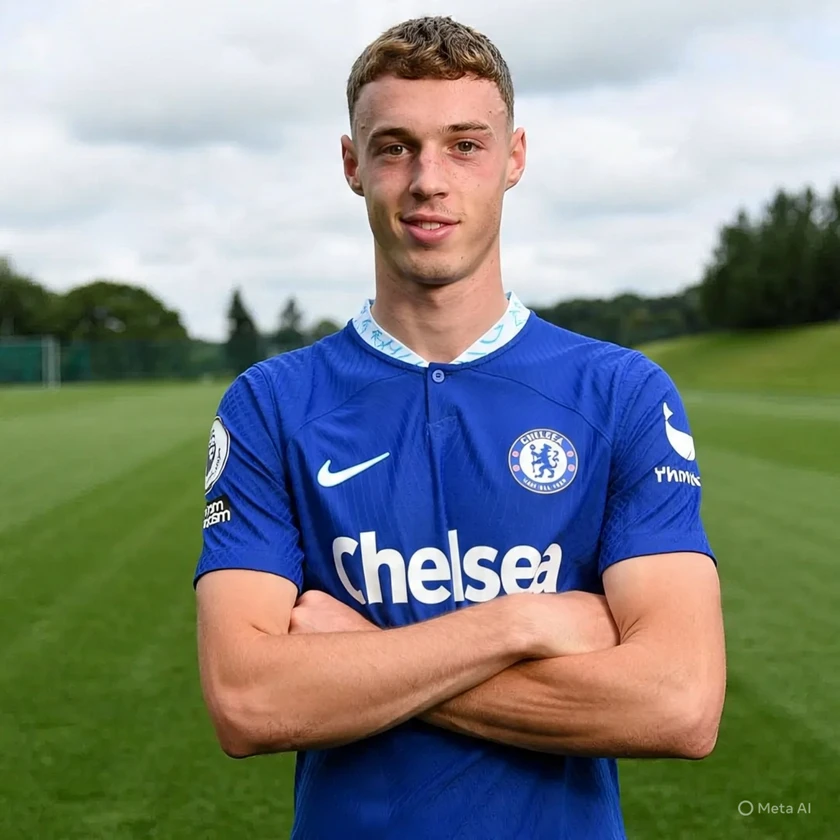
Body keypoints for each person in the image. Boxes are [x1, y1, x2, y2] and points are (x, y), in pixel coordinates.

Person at [194, 15, 726, 840]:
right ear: (352, 164)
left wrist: (358, 656)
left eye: (465, 145)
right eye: (395, 147)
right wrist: (523, 623)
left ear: (515, 158)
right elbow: (249, 701)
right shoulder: (270, 404)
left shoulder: (622, 393)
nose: (428, 181)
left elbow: (679, 704)